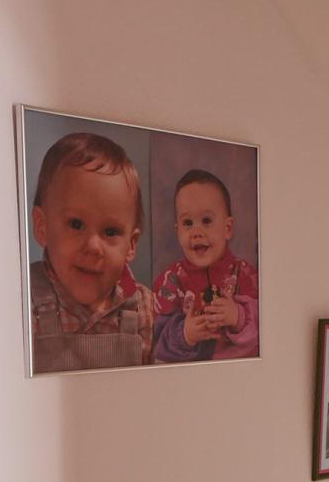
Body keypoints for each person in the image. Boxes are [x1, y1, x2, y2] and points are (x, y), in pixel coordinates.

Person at [26, 132, 155, 372]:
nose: (94, 246)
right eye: (76, 224)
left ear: (131, 244)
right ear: (42, 227)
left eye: (110, 231)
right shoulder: (22, 302)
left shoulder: (145, 309)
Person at [154, 168, 259, 362]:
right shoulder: (170, 281)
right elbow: (155, 341)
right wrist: (185, 334)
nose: (196, 232)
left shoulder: (245, 274)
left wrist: (238, 316)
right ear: (178, 231)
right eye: (188, 223)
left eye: (206, 221)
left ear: (228, 228)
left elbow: (270, 329)